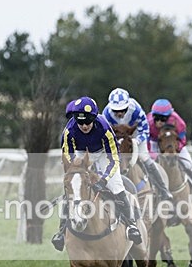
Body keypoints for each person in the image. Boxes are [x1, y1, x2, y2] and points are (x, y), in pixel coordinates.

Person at [51, 96, 142, 251]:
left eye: (87, 122)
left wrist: (104, 180)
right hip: (80, 153)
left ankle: (131, 226)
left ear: (94, 118)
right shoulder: (69, 131)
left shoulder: (105, 128)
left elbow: (114, 159)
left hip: (103, 154)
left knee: (117, 185)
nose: (84, 126)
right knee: (73, 189)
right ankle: (61, 232)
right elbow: (67, 155)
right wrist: (76, 170)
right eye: (80, 122)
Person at [101, 88, 173, 201]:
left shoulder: (136, 110)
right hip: (117, 138)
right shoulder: (106, 114)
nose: (119, 113)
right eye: (116, 111)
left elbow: (145, 129)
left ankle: (163, 190)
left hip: (135, 135)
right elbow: (103, 134)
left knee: (145, 157)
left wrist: (136, 141)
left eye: (122, 110)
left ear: (127, 106)